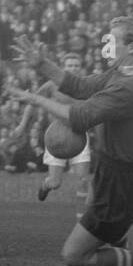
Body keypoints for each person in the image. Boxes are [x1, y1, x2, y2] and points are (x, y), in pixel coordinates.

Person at [9, 17, 133, 266]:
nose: (106, 46)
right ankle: (117, 245)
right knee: (106, 234)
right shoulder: (121, 73)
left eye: (111, 41)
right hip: (111, 168)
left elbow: (78, 117)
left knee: (74, 255)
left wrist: (35, 99)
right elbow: (79, 87)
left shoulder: (132, 88)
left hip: (122, 181)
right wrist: (42, 64)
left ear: (132, 47)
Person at [32, 52, 93, 219]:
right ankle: (46, 186)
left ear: (81, 68)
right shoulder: (52, 85)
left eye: (76, 65)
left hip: (79, 136)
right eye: (70, 65)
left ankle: (81, 219)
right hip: (56, 137)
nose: (73, 68)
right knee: (55, 183)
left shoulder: (87, 86)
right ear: (63, 67)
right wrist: (22, 125)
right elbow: (33, 100)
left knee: (83, 179)